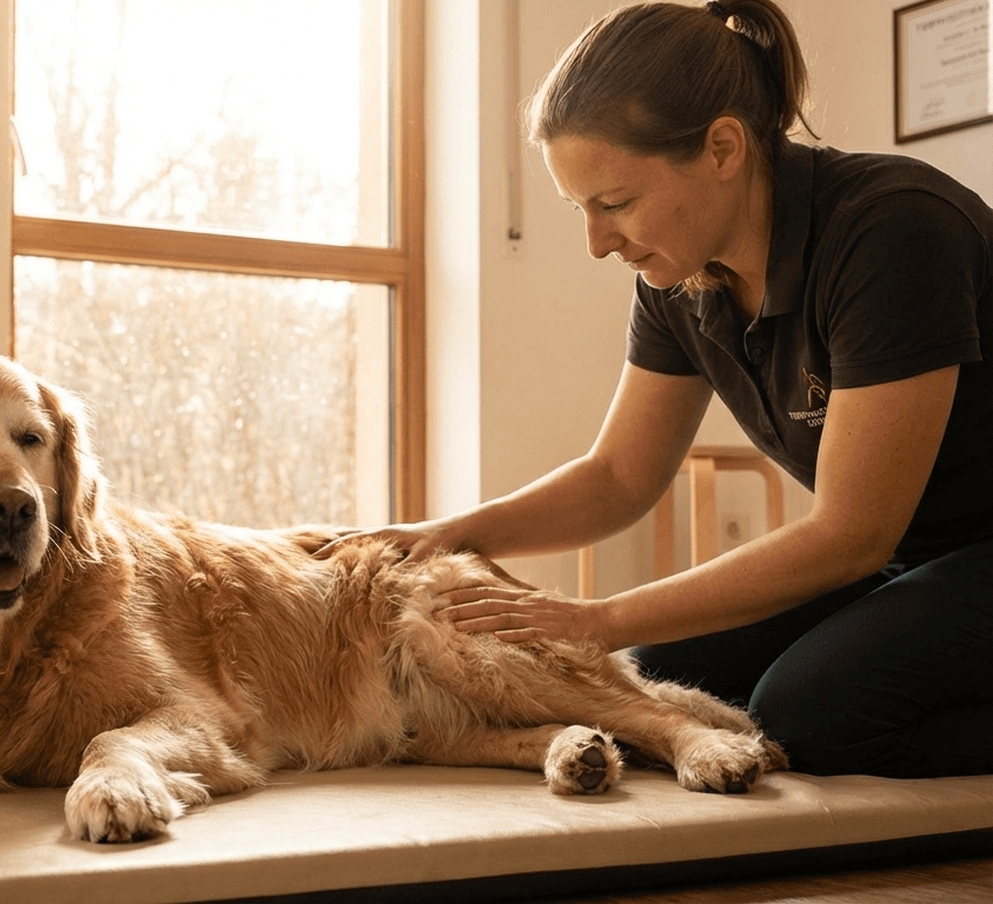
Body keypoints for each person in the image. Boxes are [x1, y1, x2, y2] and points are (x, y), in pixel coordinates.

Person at [342, 0, 993, 778]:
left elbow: (853, 533)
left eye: (615, 204)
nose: (597, 243)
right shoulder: (680, 280)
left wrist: (597, 618)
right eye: (581, 210)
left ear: (723, 148)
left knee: (815, 714)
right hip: (919, 559)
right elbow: (619, 476)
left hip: (942, 551)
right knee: (659, 678)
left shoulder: (893, 229)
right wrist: (448, 533)